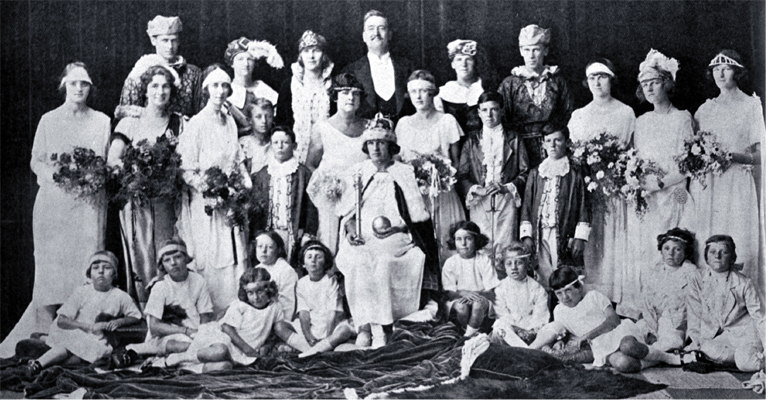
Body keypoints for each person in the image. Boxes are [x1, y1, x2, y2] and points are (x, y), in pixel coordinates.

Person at [1, 62, 111, 358]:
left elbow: (103, 161)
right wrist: (59, 178)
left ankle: (80, 328)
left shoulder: (102, 121)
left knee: (84, 261)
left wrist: (88, 178)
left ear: (90, 88)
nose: (79, 89)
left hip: (88, 204)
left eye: (84, 84)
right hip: (55, 203)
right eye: (74, 83)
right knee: (52, 265)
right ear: (64, 85)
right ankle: (46, 330)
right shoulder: (48, 120)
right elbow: (36, 160)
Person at [335, 114, 440, 349]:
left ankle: (382, 328)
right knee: (359, 261)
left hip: (396, 236)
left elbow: (416, 217)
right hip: (363, 234)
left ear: (390, 146)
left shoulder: (404, 172)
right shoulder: (358, 172)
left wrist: (396, 228)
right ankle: (365, 326)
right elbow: (347, 214)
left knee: (382, 261)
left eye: (381, 143)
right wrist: (351, 231)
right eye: (371, 143)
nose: (375, 148)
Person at [621, 49, 696, 319]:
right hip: (646, 197)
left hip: (673, 193)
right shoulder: (641, 122)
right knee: (643, 248)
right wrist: (639, 182)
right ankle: (644, 310)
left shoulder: (682, 117)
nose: (650, 88)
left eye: (654, 82)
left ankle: (671, 312)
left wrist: (659, 182)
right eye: (645, 84)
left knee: (670, 245)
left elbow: (688, 162)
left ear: (667, 83)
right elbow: (635, 160)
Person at [175, 64, 251, 313]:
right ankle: (210, 310)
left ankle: (232, 308)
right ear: (207, 89)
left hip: (229, 201)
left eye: (225, 86)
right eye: (215, 85)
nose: (220, 91)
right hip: (205, 202)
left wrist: (239, 187)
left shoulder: (229, 122)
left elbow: (236, 160)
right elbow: (186, 169)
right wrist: (210, 190)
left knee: (233, 250)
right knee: (209, 252)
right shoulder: (196, 124)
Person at [107, 65, 184, 306]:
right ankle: (141, 305)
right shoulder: (130, 123)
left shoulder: (180, 123)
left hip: (166, 200)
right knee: (140, 251)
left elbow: (186, 158)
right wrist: (134, 175)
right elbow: (113, 159)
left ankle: (167, 305)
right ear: (145, 90)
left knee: (166, 248)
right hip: (136, 201)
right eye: (155, 86)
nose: (160, 92)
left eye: (165, 86)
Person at [690, 50, 763, 299]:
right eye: (716, 69)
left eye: (727, 68)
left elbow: (761, 157)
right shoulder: (704, 110)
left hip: (737, 184)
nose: (720, 73)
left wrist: (732, 157)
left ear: (738, 72)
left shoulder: (752, 105)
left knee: (738, 239)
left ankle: (743, 301)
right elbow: (694, 153)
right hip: (709, 187)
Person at [567, 58, 635, 302]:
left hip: (615, 189)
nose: (597, 81)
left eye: (602, 76)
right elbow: (575, 155)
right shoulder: (579, 115)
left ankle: (616, 297)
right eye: (592, 77)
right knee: (593, 242)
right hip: (588, 190)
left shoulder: (625, 113)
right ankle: (594, 298)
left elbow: (630, 152)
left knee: (616, 241)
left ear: (612, 79)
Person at [528, 267, 677, 368]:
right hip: (600, 346)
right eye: (559, 293)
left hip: (618, 333)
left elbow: (614, 321)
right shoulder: (559, 310)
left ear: (579, 287)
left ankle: (668, 358)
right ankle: (655, 360)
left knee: (628, 346)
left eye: (568, 291)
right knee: (623, 364)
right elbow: (565, 330)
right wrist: (559, 342)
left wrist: (587, 336)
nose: (564, 297)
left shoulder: (593, 297)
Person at [24, 252, 141, 377]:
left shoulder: (121, 296)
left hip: (98, 339)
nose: (101, 271)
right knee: (73, 344)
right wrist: (88, 327)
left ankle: (45, 345)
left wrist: (119, 322)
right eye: (95, 268)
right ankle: (38, 364)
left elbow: (135, 316)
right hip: (73, 331)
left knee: (98, 354)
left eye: (107, 268)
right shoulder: (82, 292)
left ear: (114, 274)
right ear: (89, 273)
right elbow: (62, 321)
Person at [396, 70, 466, 265]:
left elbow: (456, 162)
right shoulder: (403, 124)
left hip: (443, 194)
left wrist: (441, 176)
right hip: (414, 197)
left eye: (423, 91)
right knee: (419, 244)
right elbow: (399, 163)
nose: (418, 96)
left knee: (447, 240)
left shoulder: (447, 121)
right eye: (413, 91)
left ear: (433, 93)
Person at [112, 238, 215, 367]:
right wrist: (185, 331)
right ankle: (162, 358)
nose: (173, 263)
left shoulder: (198, 281)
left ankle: (168, 359)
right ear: (162, 265)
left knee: (212, 346)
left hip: (195, 332)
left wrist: (201, 335)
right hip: (167, 336)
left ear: (186, 258)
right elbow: (155, 327)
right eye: (167, 260)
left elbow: (205, 316)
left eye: (177, 257)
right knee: (186, 347)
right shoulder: (160, 287)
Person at [607, 228, 699, 372]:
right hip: (650, 323)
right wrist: (651, 329)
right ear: (661, 250)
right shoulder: (653, 272)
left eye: (677, 249)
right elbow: (646, 304)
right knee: (625, 342)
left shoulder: (691, 274)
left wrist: (692, 339)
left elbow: (696, 310)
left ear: (685, 252)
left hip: (673, 328)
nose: (671, 253)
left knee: (623, 362)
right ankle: (668, 358)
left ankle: (654, 358)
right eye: (667, 248)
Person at [160, 268, 283, 372]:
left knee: (225, 367)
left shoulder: (275, 307)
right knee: (221, 352)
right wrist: (247, 349)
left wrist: (268, 345)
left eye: (260, 291)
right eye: (250, 293)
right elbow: (227, 328)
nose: (255, 297)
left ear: (269, 289)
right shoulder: (240, 305)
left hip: (242, 353)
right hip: (224, 339)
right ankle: (180, 357)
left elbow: (275, 331)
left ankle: (190, 367)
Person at [457, 91, 529, 264]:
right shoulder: (472, 141)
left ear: (501, 111)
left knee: (506, 244)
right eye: (484, 110)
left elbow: (525, 172)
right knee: (482, 246)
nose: (489, 114)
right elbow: (463, 174)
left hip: (506, 199)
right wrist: (476, 189)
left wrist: (507, 187)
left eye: (494, 109)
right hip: (479, 200)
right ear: (479, 113)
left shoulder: (514, 139)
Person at [305, 73, 370, 254]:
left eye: (355, 94)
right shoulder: (322, 127)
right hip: (332, 197)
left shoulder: (369, 127)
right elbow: (310, 165)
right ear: (335, 97)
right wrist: (326, 187)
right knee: (330, 242)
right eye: (344, 93)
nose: (350, 97)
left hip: (361, 196)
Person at [520, 126, 591, 288]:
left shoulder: (575, 173)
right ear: (543, 145)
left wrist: (580, 237)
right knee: (543, 275)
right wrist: (527, 235)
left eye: (557, 140)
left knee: (565, 274)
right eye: (548, 141)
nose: (552, 146)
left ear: (566, 143)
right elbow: (527, 206)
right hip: (540, 232)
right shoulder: (536, 173)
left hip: (565, 233)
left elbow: (584, 206)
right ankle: (548, 311)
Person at [497, 24, 573, 169]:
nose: (531, 56)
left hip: (553, 147)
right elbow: (502, 119)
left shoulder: (557, 82)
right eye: (526, 50)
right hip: (519, 150)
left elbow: (567, 114)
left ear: (545, 51)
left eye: (536, 50)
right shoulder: (509, 84)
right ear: (521, 51)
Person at [685, 235, 765, 372]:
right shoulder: (697, 279)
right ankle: (738, 357)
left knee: (745, 363)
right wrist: (697, 340)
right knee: (706, 348)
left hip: (745, 333)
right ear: (706, 257)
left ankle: (746, 358)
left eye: (724, 252)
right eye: (712, 252)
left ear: (732, 257)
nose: (717, 256)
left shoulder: (744, 283)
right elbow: (694, 313)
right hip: (724, 337)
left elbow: (760, 317)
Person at [250, 126, 318, 264]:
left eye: (285, 142)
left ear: (294, 146)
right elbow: (256, 208)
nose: (280, 147)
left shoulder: (303, 174)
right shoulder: (263, 174)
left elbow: (311, 207)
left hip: (293, 233)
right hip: (269, 232)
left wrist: (307, 233)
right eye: (276, 143)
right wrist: (258, 233)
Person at [275, 240, 354, 357]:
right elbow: (303, 313)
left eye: (318, 257)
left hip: (331, 325)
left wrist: (328, 336)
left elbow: (332, 312)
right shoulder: (302, 283)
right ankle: (321, 349)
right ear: (303, 263)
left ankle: (313, 351)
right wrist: (308, 336)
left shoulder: (330, 281)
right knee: (279, 326)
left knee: (344, 331)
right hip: (312, 324)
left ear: (325, 262)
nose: (313, 260)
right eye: (309, 257)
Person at [117, 15, 202, 119]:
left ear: (179, 41)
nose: (170, 46)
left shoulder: (193, 73)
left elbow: (201, 114)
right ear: (154, 41)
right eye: (165, 40)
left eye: (174, 40)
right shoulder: (140, 72)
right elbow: (126, 116)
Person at [342, 9, 415, 122]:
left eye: (381, 28)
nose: (376, 33)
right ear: (364, 36)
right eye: (371, 28)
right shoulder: (351, 70)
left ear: (389, 35)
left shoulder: (408, 67)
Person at [275, 30, 334, 164]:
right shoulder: (289, 85)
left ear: (323, 55)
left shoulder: (332, 85)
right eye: (306, 51)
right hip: (294, 155)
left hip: (326, 156)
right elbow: (282, 124)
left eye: (316, 51)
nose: (311, 56)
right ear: (300, 56)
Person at [442, 221, 500, 337]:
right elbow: (448, 292)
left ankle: (468, 336)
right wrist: (463, 294)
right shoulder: (451, 262)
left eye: (468, 238)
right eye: (459, 239)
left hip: (481, 298)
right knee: (461, 307)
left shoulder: (484, 260)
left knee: (477, 305)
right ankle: (465, 331)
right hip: (459, 299)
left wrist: (474, 294)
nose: (463, 243)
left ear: (476, 240)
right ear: (454, 241)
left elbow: (491, 291)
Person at [491, 242, 549, 348]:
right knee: (499, 325)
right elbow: (502, 315)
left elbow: (541, 316)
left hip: (531, 334)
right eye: (509, 263)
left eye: (518, 263)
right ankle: (527, 351)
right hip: (509, 334)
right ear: (504, 266)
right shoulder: (500, 289)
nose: (514, 267)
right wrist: (518, 330)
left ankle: (525, 350)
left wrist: (531, 331)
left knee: (549, 329)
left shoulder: (537, 288)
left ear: (527, 264)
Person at [434, 39, 498, 136]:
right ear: (452, 64)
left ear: (475, 63)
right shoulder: (443, 94)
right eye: (459, 59)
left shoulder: (486, 88)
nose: (463, 64)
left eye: (468, 59)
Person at [224, 37, 283, 136]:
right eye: (240, 59)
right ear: (232, 64)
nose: (245, 64)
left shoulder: (264, 89)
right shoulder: (226, 93)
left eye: (250, 59)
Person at [252, 231, 299, 322]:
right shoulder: (257, 268)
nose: (263, 251)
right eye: (260, 246)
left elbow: (287, 306)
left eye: (270, 247)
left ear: (279, 250)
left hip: (277, 319)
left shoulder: (286, 271)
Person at [239, 98, 274, 175]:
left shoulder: (276, 143)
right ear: (250, 120)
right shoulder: (243, 145)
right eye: (258, 117)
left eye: (268, 116)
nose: (264, 121)